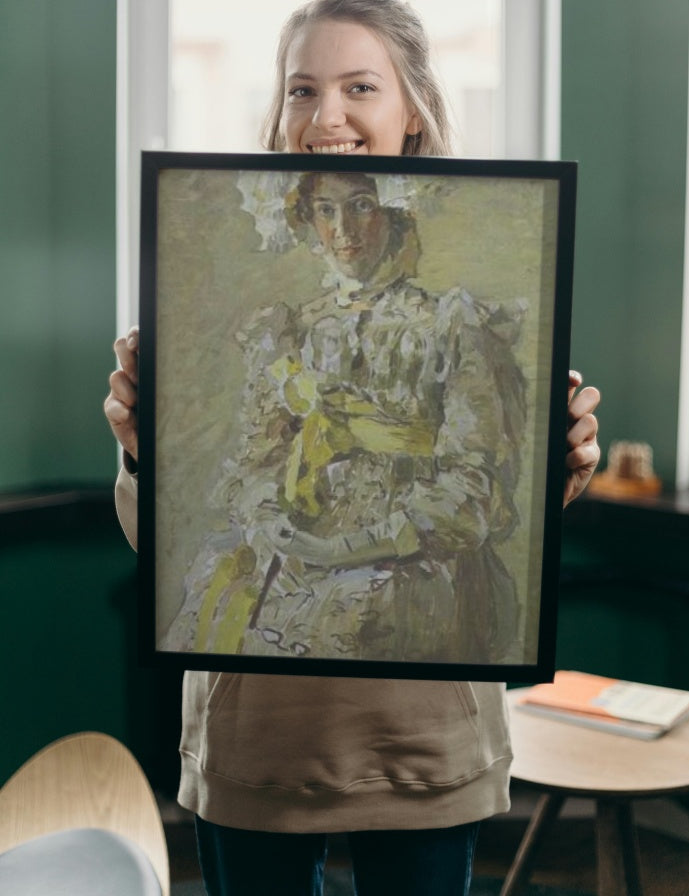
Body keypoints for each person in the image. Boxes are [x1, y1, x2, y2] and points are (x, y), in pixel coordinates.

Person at [105, 0, 601, 896]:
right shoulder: (277, 331)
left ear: (412, 111)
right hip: (259, 722)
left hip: (417, 716)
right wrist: (146, 455)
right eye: (301, 88)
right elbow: (180, 528)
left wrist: (552, 471)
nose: (325, 114)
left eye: (359, 87)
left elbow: (484, 504)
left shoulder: (460, 324)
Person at [162, 168, 527, 665]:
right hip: (300, 540)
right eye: (325, 211)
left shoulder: (451, 326)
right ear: (305, 219)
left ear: (394, 213)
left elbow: (473, 486)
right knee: (226, 596)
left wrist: (347, 549)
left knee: (358, 617)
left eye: (360, 205)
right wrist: (268, 520)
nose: (344, 231)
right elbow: (259, 459)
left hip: (409, 552)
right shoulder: (291, 330)